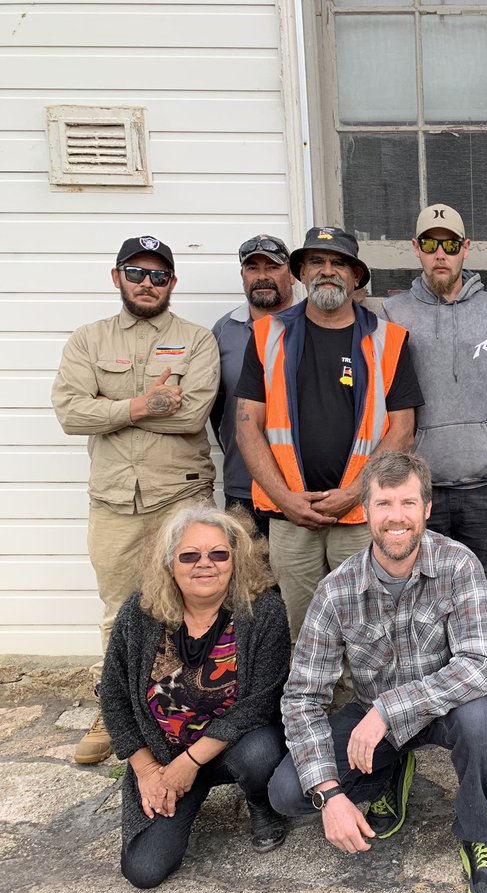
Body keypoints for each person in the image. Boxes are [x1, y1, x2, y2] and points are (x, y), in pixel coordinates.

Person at [267, 451, 487, 893]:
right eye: (384, 504)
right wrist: (330, 794)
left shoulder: (458, 564)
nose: (396, 517)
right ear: (365, 510)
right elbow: (302, 697)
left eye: (407, 503)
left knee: (483, 719)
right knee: (287, 792)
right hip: (373, 718)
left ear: (426, 509)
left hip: (444, 708)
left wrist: (389, 709)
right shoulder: (336, 589)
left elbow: (485, 663)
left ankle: (479, 832)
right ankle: (388, 773)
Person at [52, 235, 219, 766]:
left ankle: (196, 703)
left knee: (195, 603)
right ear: (117, 276)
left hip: (182, 495)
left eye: (159, 275)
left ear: (173, 283)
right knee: (118, 613)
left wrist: (111, 404)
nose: (148, 284)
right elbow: (70, 413)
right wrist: (143, 403)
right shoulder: (89, 341)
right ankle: (116, 710)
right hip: (115, 502)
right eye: (136, 273)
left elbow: (191, 415)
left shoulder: (196, 341)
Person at [235, 226, 423, 641]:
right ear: (301, 272)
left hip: (359, 515)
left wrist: (354, 492)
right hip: (290, 516)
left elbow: (402, 429)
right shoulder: (267, 336)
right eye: (317, 262)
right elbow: (248, 426)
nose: (327, 271)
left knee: (364, 630)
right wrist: (286, 499)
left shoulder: (388, 341)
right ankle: (309, 707)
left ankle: (357, 709)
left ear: (356, 277)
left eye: (339, 263)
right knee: (301, 632)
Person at [99, 505, 290, 888]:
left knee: (260, 753)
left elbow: (260, 703)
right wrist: (148, 771)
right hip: (163, 756)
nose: (206, 564)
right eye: (190, 555)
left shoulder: (263, 610)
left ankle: (260, 802)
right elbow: (114, 697)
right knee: (144, 870)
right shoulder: (139, 614)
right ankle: (183, 794)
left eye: (219, 554)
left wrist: (189, 763)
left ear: (236, 560)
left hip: (230, 749)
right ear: (170, 563)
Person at [381, 204, 487, 574]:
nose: (441, 254)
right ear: (415, 247)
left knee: (483, 592)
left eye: (450, 245)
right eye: (430, 244)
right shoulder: (392, 313)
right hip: (419, 488)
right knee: (421, 591)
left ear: (466, 247)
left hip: (483, 486)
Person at [211, 234, 297, 537]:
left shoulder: (314, 323)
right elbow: (217, 409)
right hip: (244, 487)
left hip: (303, 488)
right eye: (252, 268)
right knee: (250, 581)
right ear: (242, 275)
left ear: (293, 274)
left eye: (272, 267)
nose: (262, 277)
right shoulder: (223, 331)